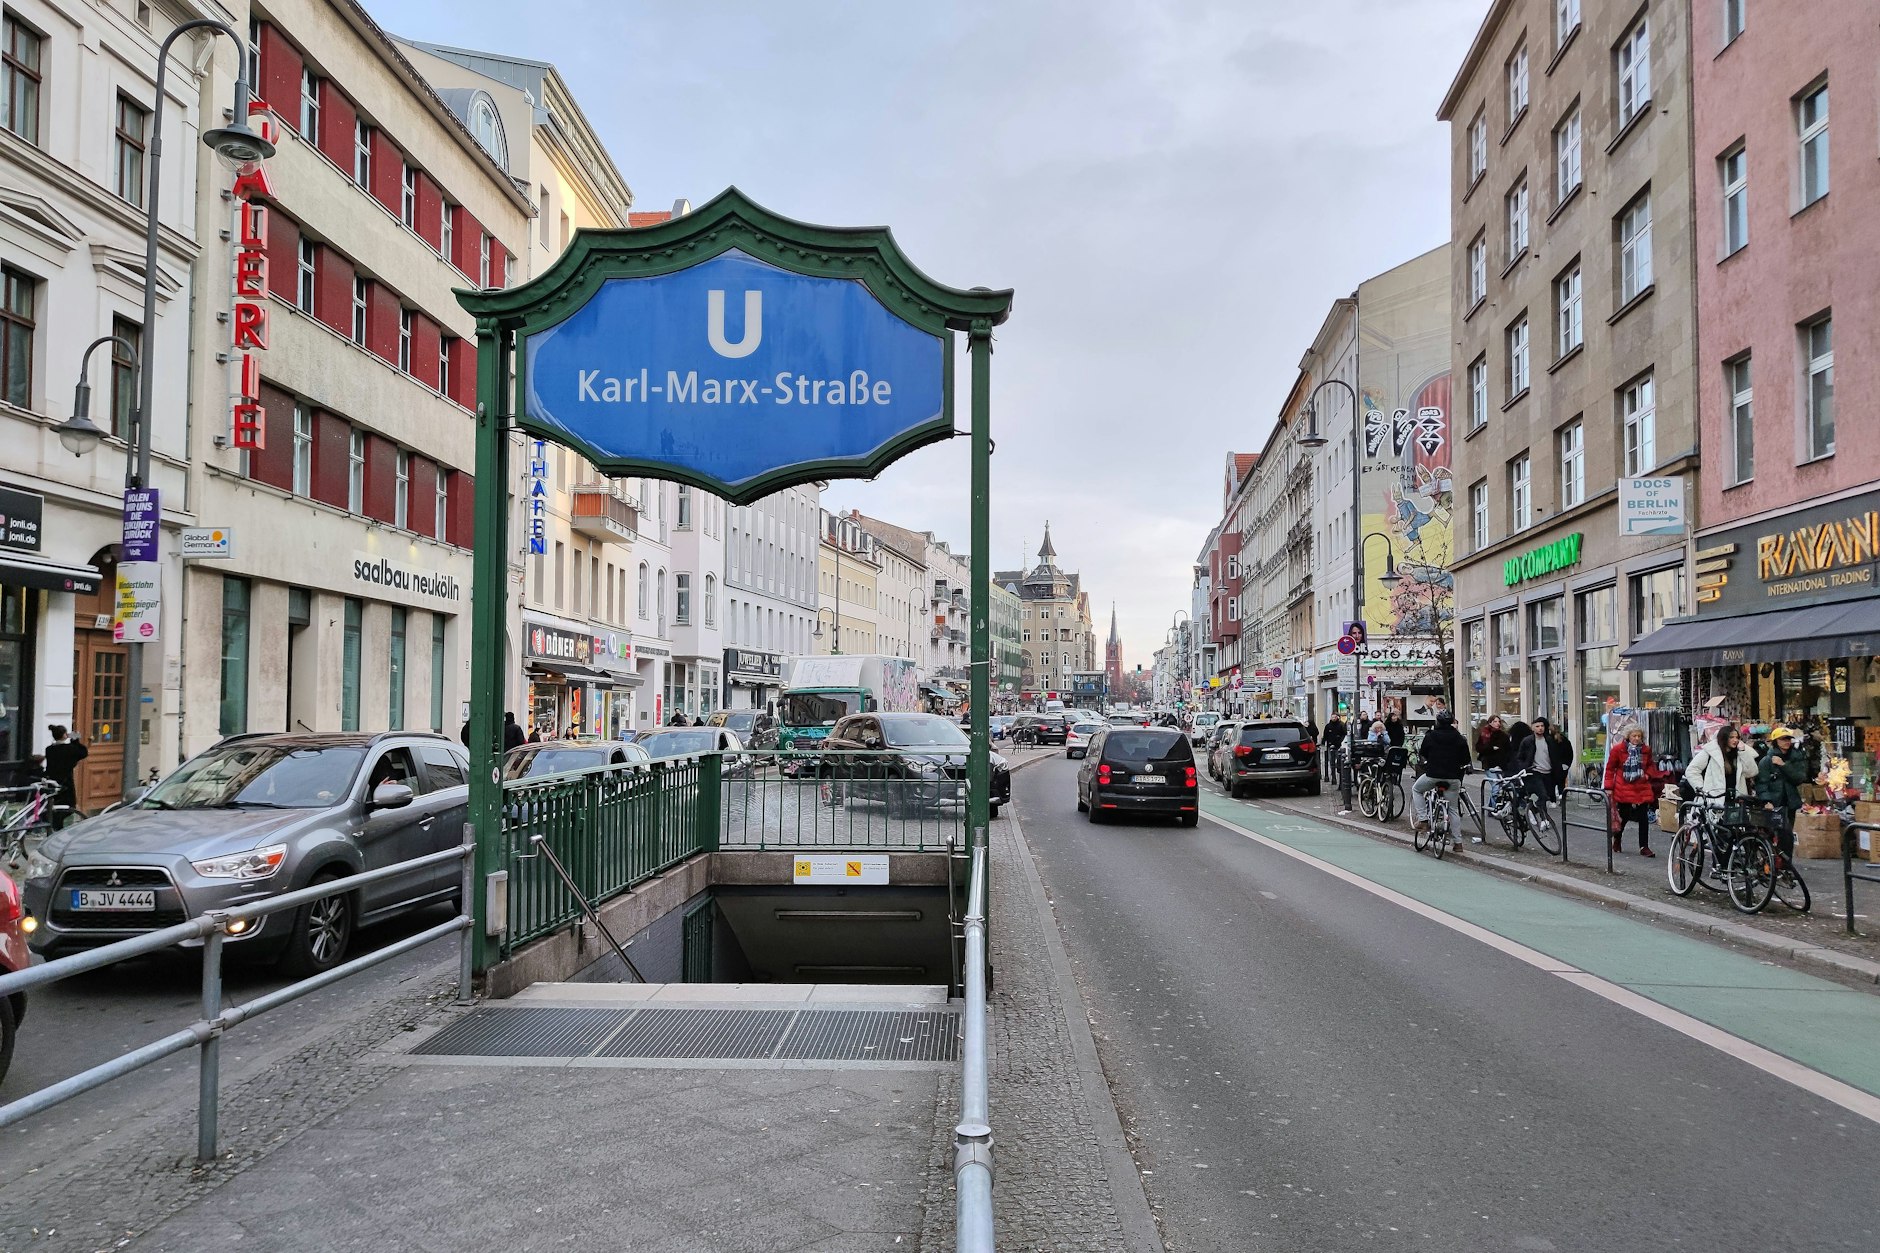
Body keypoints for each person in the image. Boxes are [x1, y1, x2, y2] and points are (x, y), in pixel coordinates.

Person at [1411, 710, 1473, 845]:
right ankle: (1458, 843)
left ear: (1437, 722)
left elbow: (1423, 753)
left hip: (1433, 775)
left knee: (1416, 789)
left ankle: (1423, 819)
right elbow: (1466, 759)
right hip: (1453, 777)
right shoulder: (1459, 738)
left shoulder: (1431, 735)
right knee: (1453, 809)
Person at [1603, 725, 1663, 857]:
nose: (1636, 738)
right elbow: (1610, 769)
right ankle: (1617, 838)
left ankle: (1644, 846)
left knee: (1643, 818)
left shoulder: (1646, 750)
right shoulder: (1618, 750)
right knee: (1624, 816)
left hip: (1641, 787)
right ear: (1628, 736)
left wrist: (1648, 775)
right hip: (1624, 787)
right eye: (1634, 736)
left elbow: (1651, 765)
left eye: (1639, 736)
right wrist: (1608, 787)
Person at [1754, 725, 1806, 862]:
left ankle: (1785, 865)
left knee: (1787, 836)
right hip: (1774, 804)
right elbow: (1761, 783)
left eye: (1788, 738)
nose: (1787, 742)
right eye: (1783, 739)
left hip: (1790, 803)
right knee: (1776, 834)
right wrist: (1766, 801)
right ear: (1775, 741)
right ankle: (1770, 863)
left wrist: (1784, 765)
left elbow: (1799, 778)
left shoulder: (1795, 758)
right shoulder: (1766, 761)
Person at [1685, 725, 1758, 811]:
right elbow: (1692, 770)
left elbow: (1752, 772)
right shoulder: (1710, 752)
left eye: (1737, 737)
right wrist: (1701, 789)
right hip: (1714, 799)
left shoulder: (1738, 754)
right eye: (1731, 737)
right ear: (1724, 738)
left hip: (1736, 801)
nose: (1735, 740)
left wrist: (1743, 752)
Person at [1511, 715, 1571, 804]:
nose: (1540, 728)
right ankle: (1529, 810)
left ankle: (1535, 812)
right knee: (1542, 795)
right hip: (1535, 772)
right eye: (1537, 726)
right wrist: (1524, 767)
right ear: (1532, 728)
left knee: (1546, 796)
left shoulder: (1550, 740)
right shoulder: (1528, 741)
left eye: (1542, 726)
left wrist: (1560, 768)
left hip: (1548, 772)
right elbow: (1520, 757)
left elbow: (1556, 756)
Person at [42, 724, 88, 829]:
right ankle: (58, 827)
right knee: (68, 806)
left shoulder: (49, 749)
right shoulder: (70, 749)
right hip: (65, 782)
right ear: (64, 735)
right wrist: (75, 740)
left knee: (54, 806)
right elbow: (83, 753)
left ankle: (54, 826)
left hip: (52, 782)